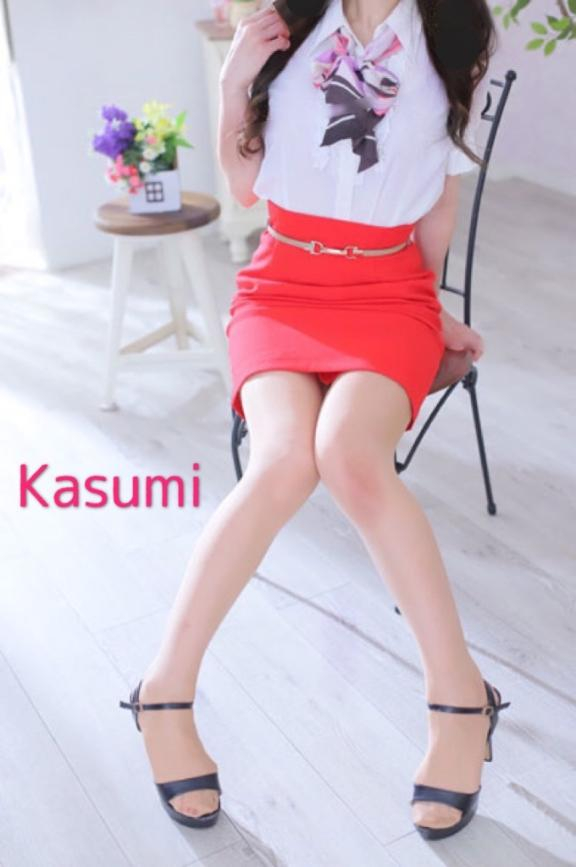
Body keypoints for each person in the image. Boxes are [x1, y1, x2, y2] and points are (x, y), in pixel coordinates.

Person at [119, 0, 511, 841]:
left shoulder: (447, 33)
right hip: (282, 285)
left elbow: (438, 195)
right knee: (283, 459)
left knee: (349, 455)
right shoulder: (285, 26)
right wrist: (234, 83)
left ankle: (458, 699)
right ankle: (163, 693)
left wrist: (434, 305)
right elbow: (245, 186)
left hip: (390, 292)